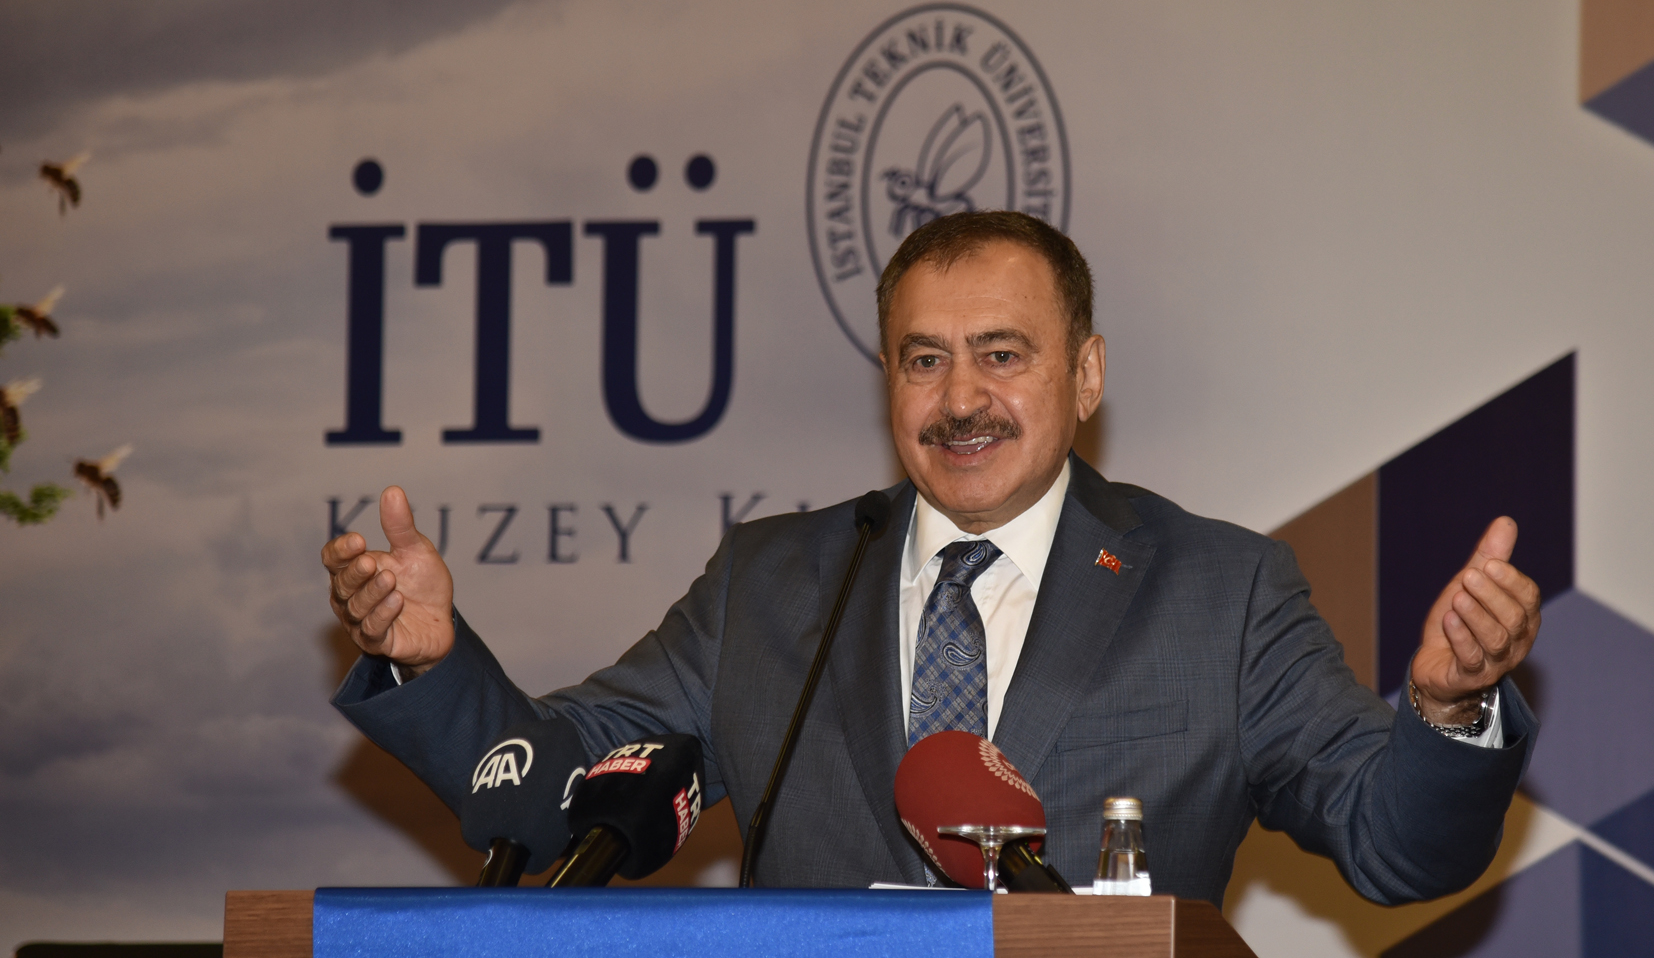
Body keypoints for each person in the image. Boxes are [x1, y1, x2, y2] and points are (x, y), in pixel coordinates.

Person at [325, 211, 1540, 904]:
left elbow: (1396, 846)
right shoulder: (771, 583)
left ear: (1085, 374)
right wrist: (432, 661)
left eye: (1002, 355)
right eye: (923, 360)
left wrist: (1449, 711)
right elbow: (559, 799)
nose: (959, 400)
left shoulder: (1220, 595)